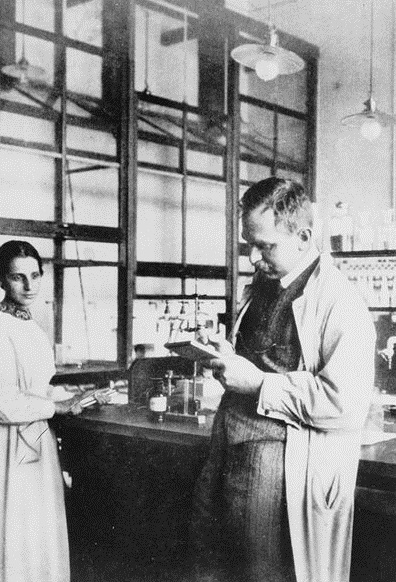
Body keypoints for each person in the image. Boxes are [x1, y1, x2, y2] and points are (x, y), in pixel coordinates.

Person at [190, 178, 376, 582]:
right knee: (210, 567)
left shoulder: (340, 302)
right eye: (248, 245)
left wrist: (257, 383)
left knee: (260, 573)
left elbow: (344, 404)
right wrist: (225, 356)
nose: (254, 257)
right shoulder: (264, 286)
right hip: (227, 445)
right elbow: (259, 361)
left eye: (266, 246)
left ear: (304, 236)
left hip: (275, 461)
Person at [0, 240, 84, 582]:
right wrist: (55, 406)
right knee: (8, 533)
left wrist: (67, 394)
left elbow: (35, 384)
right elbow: (0, 401)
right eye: (17, 277)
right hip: (5, 445)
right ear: (0, 280)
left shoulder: (31, 324)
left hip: (36, 438)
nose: (28, 285)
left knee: (34, 535)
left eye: (35, 275)